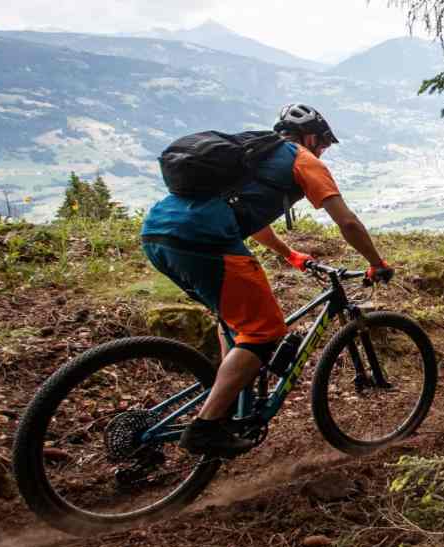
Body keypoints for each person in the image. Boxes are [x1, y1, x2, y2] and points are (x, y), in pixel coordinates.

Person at [141, 103, 393, 457]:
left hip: (157, 235)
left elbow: (248, 216)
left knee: (234, 320)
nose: (322, 151)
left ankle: (229, 402)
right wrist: (376, 262)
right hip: (204, 241)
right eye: (322, 143)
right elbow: (347, 222)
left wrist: (290, 254)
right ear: (309, 137)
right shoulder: (304, 160)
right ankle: (206, 426)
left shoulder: (253, 156)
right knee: (264, 332)